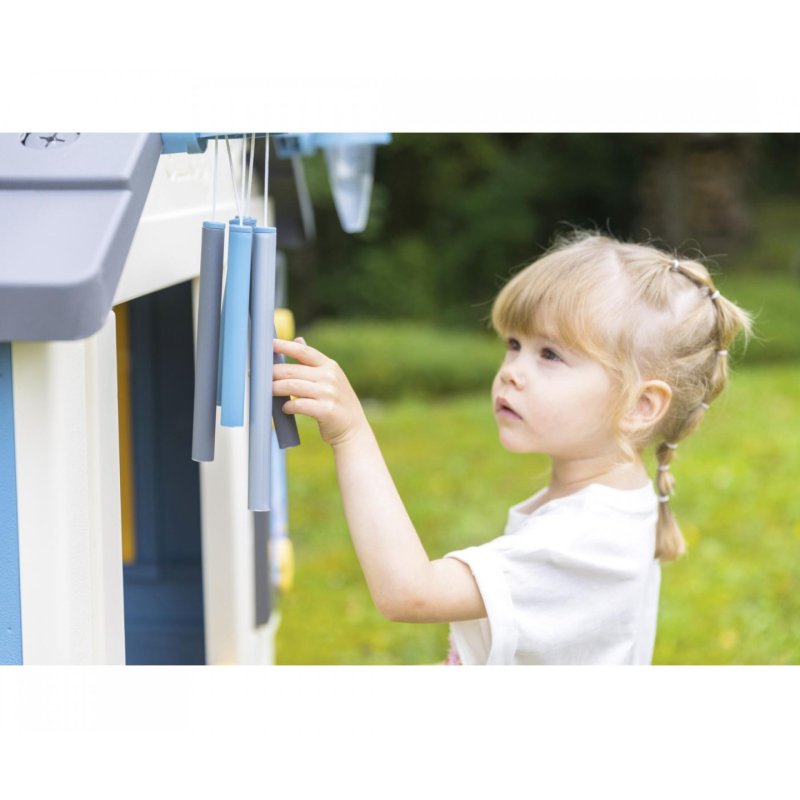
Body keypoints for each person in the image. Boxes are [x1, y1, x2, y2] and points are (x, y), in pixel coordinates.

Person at [271, 230, 752, 665]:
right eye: (514, 344)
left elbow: (409, 592)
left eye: (550, 354)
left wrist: (351, 432)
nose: (512, 371)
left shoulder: (584, 538)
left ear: (640, 405)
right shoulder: (611, 503)